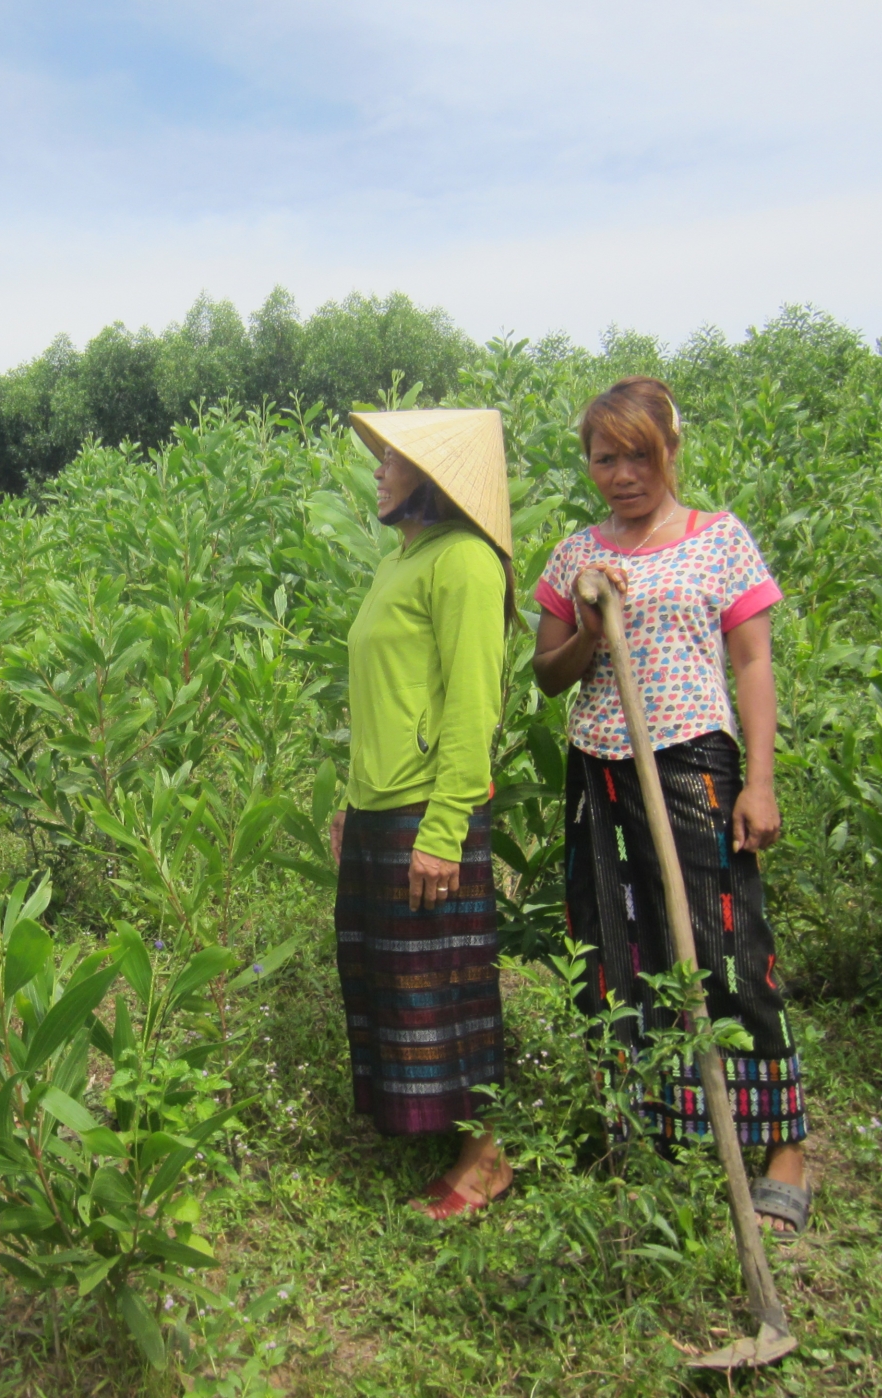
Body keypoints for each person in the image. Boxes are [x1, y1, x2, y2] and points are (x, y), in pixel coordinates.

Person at [530, 376, 812, 1234]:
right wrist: (585, 618)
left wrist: (758, 781)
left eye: (638, 455)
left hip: (693, 760)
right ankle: (643, 1131)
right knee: (614, 945)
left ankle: (784, 1146)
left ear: (670, 450)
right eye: (604, 457)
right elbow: (548, 677)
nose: (622, 474)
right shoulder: (576, 557)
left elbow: (753, 664)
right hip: (600, 769)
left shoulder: (719, 540)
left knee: (726, 943)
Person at [328, 409, 516, 1219]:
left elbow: (474, 708)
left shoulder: (467, 562)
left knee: (448, 983)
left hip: (427, 810)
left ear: (433, 478)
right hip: (382, 806)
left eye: (393, 460)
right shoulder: (400, 564)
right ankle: (439, 1132)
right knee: (399, 981)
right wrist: (352, 802)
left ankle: (487, 1156)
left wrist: (444, 832)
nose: (378, 470)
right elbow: (385, 699)